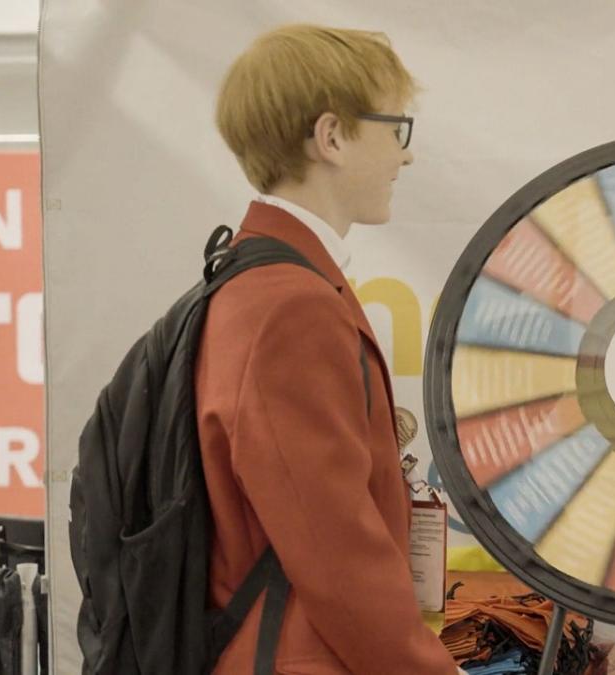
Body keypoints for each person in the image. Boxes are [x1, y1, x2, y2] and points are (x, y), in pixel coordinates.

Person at [197, 24, 463, 674]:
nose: (407, 157)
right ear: (333, 136)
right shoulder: (292, 303)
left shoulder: (257, 277)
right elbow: (334, 548)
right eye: (396, 129)